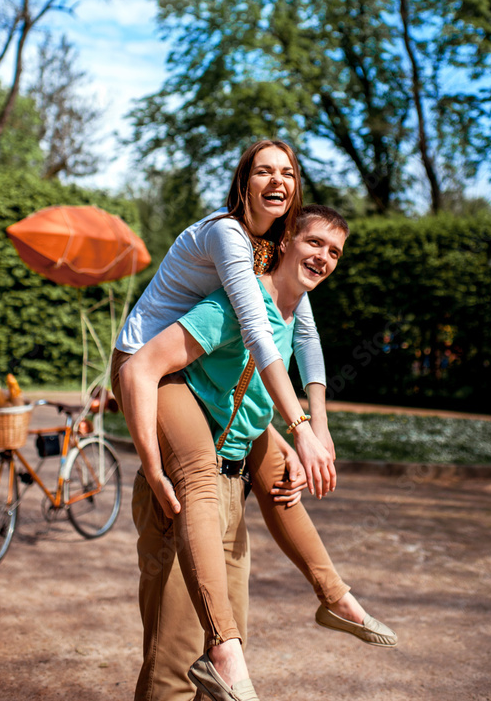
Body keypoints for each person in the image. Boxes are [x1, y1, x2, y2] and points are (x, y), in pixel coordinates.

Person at [114, 205, 397, 701]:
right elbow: (147, 368)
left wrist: (283, 444)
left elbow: (240, 395)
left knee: (220, 679)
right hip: (185, 495)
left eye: (334, 252)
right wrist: (155, 469)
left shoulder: (291, 316)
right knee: (174, 672)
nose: (324, 257)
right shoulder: (233, 305)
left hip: (233, 492)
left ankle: (335, 596)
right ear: (286, 242)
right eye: (314, 243)